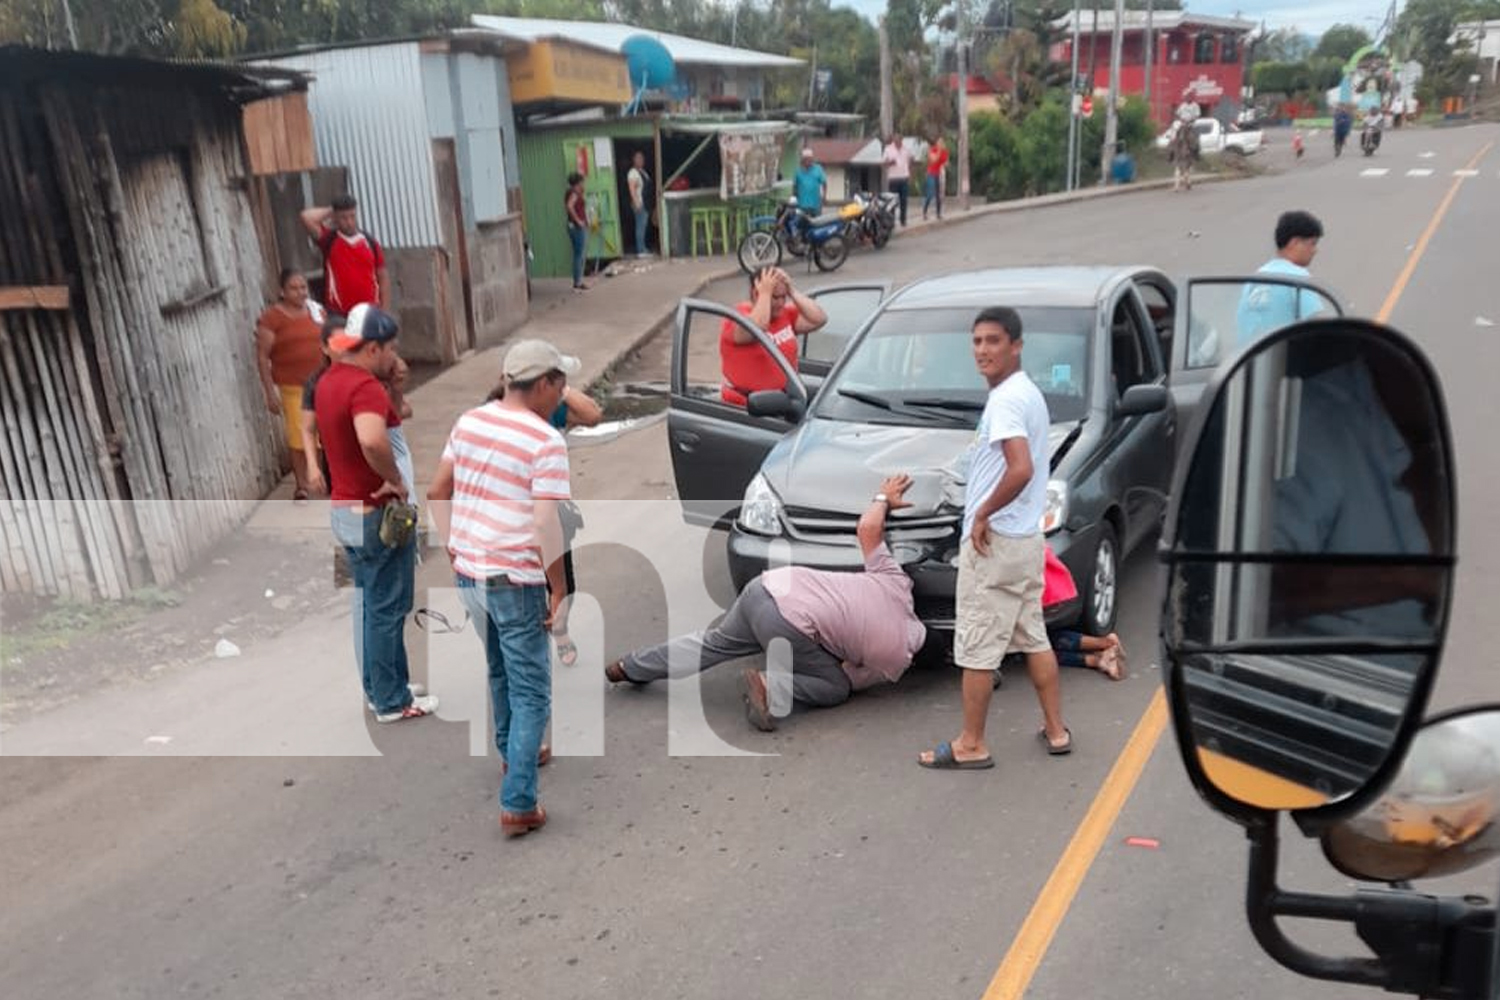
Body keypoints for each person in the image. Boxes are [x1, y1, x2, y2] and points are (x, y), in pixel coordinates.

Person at [605, 475, 927, 730]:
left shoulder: (896, 583)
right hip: (787, 623)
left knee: (712, 644)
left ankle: (629, 667)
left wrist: (883, 497)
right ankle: (769, 687)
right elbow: (845, 674)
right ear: (915, 659)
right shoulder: (896, 659)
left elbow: (868, 529)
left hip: (766, 586)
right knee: (834, 688)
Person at [428, 339, 578, 838]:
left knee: (500, 668)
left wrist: (453, 546)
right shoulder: (545, 441)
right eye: (560, 383)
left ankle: (515, 753)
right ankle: (518, 802)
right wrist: (559, 591)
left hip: (470, 574)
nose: (563, 394)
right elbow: (545, 524)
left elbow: (437, 489)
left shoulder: (470, 420)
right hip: (514, 579)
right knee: (533, 689)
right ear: (542, 384)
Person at [919, 306, 1069, 770]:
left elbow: (1020, 468)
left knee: (978, 647)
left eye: (993, 341)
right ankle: (1056, 730)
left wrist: (983, 512)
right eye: (977, 341)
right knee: (1033, 636)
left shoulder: (1006, 400)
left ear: (1016, 345)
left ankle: (971, 743)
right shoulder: (1026, 393)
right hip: (1025, 541)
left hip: (997, 541)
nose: (982, 350)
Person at [315, 304, 436, 723]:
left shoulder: (329, 381)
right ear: (373, 347)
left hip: (344, 508)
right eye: (391, 348)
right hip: (373, 512)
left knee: (369, 604)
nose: (394, 355)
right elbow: (372, 440)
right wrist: (395, 481)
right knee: (388, 606)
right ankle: (392, 701)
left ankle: (382, 687)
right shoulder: (363, 387)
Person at [484, 380, 603, 667]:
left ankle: (558, 631)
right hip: (510, 523)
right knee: (520, 586)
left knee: (563, 585)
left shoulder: (550, 413)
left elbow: (592, 415)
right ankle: (525, 647)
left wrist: (560, 387)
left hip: (551, 516)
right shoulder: (489, 420)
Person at [255, 269, 327, 503]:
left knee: (322, 434)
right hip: (293, 387)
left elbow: (330, 340)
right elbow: (262, 357)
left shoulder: (316, 312)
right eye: (294, 288)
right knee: (299, 436)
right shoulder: (272, 318)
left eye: (303, 287)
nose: (300, 292)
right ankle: (301, 483)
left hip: (322, 383)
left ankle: (319, 477)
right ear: (282, 291)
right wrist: (269, 393)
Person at [720, 265, 828, 407]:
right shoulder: (737, 318)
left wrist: (792, 291)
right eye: (775, 297)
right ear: (755, 293)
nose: (781, 303)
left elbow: (819, 318)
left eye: (784, 297)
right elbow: (758, 327)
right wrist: (764, 293)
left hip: (783, 400)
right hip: (746, 407)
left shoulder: (785, 314)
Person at [1235, 210, 1326, 349]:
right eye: (1312, 243)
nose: (1315, 250)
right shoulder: (1299, 278)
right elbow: (1319, 329)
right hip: (1283, 366)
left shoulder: (1255, 279)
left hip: (1248, 364)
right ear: (1295, 243)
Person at [300, 194, 387, 314]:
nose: (349, 222)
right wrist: (332, 210)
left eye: (352, 216)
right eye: (343, 218)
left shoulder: (370, 242)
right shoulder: (328, 239)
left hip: (369, 312)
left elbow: (382, 277)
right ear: (335, 218)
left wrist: (384, 311)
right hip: (338, 313)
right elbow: (306, 217)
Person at [565, 172, 589, 291]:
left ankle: (578, 280)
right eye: (581, 182)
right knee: (578, 255)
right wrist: (579, 221)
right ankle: (578, 282)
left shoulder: (574, 192)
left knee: (578, 254)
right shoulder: (573, 193)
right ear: (577, 183)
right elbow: (570, 206)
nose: (583, 184)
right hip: (576, 227)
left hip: (574, 227)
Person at [883, 132, 912, 227]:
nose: (897, 141)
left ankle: (903, 220)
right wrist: (890, 163)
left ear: (901, 140)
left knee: (904, 201)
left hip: (904, 178)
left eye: (899, 139)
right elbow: (884, 164)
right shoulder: (888, 149)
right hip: (893, 179)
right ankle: (891, 221)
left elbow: (910, 161)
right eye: (895, 139)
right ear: (893, 140)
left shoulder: (906, 150)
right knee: (893, 202)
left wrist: (909, 174)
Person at [627, 151, 652, 257]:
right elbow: (632, 188)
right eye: (638, 158)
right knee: (640, 226)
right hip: (639, 203)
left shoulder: (643, 172)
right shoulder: (633, 173)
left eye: (642, 158)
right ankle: (640, 250)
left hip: (645, 203)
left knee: (643, 225)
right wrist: (636, 202)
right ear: (634, 160)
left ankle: (643, 248)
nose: (640, 160)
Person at [794, 147, 828, 216]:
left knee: (817, 224)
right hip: (802, 205)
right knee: (802, 225)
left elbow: (824, 183)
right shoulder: (798, 171)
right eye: (806, 159)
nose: (808, 161)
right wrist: (795, 198)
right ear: (802, 160)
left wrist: (824, 196)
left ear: (812, 159)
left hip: (816, 205)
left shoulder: (818, 169)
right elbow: (795, 187)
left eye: (810, 159)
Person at [923, 136, 948, 220]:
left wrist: (945, 163)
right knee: (930, 194)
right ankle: (924, 212)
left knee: (938, 195)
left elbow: (945, 162)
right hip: (931, 174)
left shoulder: (945, 151)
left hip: (939, 174)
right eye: (939, 142)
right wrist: (939, 151)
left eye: (942, 142)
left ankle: (938, 213)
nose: (941, 144)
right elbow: (934, 160)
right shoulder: (932, 149)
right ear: (937, 143)